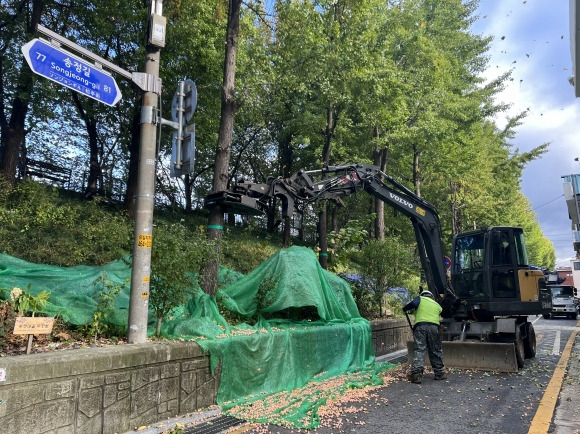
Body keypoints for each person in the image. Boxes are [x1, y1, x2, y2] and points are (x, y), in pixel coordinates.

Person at [402, 289, 446, 383]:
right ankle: (440, 373)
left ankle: (417, 375)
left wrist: (405, 309)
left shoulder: (420, 299)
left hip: (421, 326)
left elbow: (413, 304)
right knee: (435, 349)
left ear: (423, 295)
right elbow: (443, 312)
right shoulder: (437, 305)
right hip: (434, 328)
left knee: (420, 349)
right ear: (431, 297)